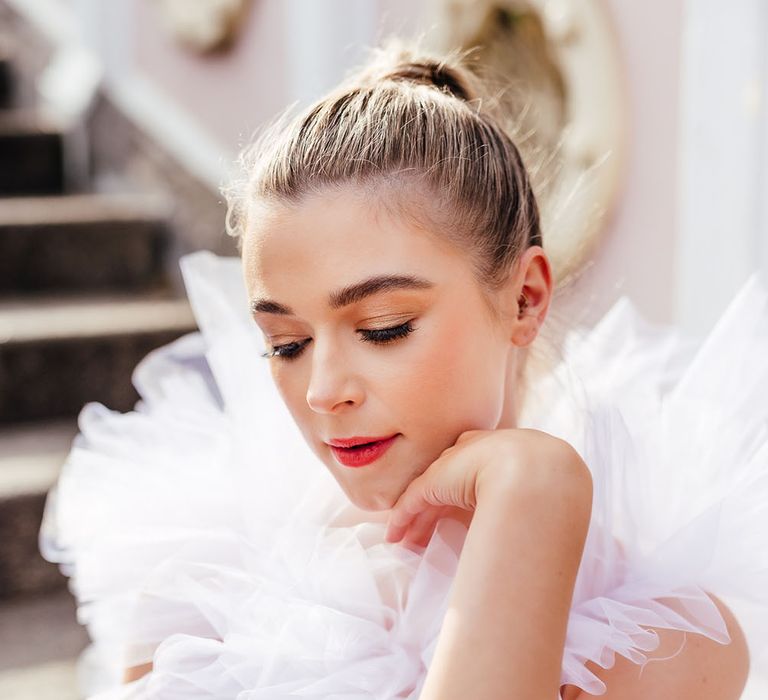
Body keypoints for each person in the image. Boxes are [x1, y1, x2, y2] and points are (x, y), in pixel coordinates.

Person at [40, 38, 767, 699]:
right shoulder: (199, 605)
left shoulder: (663, 636)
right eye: (285, 344)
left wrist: (530, 501)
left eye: (383, 329)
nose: (323, 392)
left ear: (525, 298)